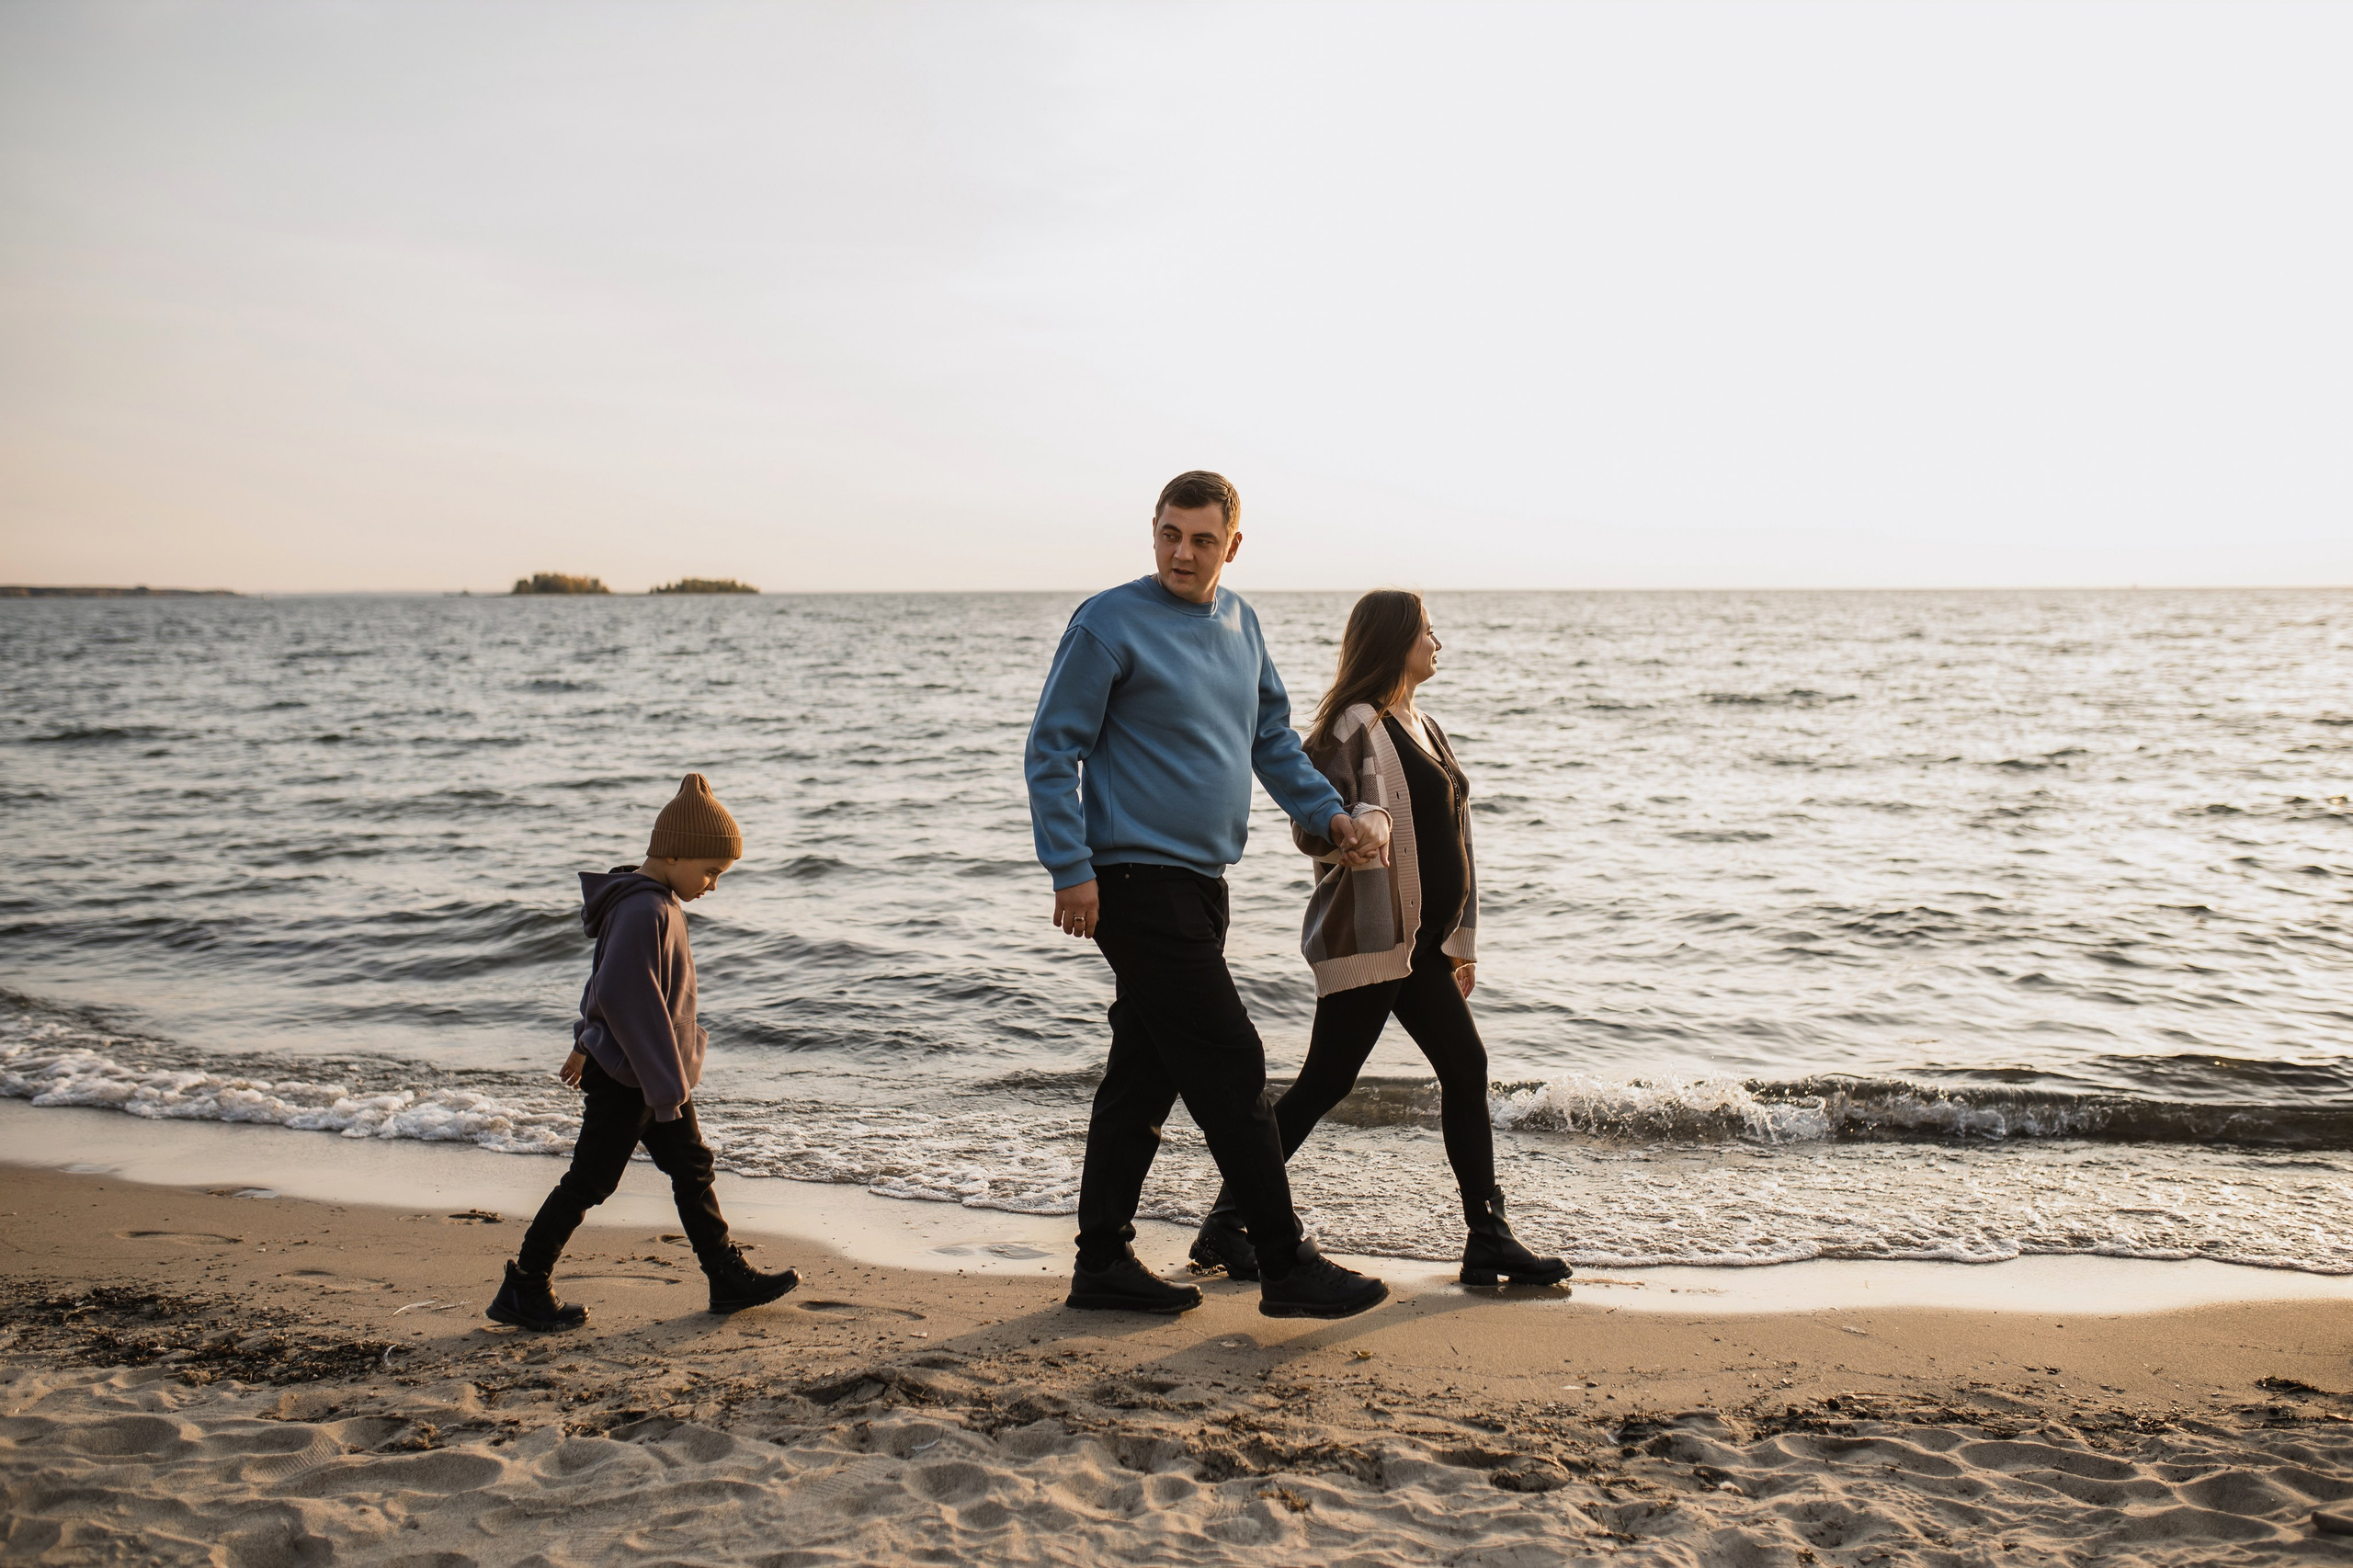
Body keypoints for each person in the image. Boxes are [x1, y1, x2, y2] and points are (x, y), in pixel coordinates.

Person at [1026, 471, 1396, 1320]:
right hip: (1131, 880)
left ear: (1232, 544)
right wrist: (1069, 867)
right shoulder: (1108, 622)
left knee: (1143, 1073)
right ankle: (1283, 1259)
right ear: (1151, 531)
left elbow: (1270, 739)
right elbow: (1052, 750)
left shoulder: (1241, 624)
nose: (1180, 553)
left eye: (1200, 539)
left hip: (1201, 881)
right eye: (1167, 534)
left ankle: (1101, 1263)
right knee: (1231, 1060)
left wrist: (1332, 817)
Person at [1188, 590, 1571, 1289]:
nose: (1438, 642)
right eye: (1427, 631)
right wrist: (1350, 829)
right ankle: (1228, 1220)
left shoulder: (1426, 725)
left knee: (1465, 1066)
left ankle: (1487, 1237)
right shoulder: (1351, 727)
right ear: (1396, 639)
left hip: (1421, 946)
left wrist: (1462, 939)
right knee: (1326, 1083)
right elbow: (1310, 821)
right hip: (1369, 939)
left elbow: (1458, 836)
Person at [486, 773, 801, 1331]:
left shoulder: (645, 901)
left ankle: (725, 1276)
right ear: (673, 854)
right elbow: (625, 997)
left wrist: (585, 1036)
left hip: (650, 1071)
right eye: (709, 871)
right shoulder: (644, 910)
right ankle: (525, 1285)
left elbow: (600, 982)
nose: (712, 885)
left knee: (691, 1167)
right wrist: (663, 1089)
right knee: (591, 1180)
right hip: (635, 1076)